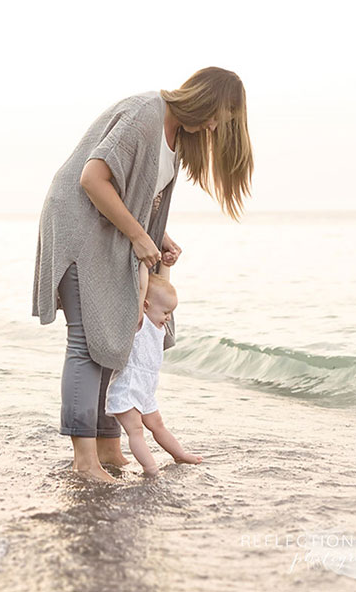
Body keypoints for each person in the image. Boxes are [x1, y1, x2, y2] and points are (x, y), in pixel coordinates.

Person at [32, 67, 253, 482]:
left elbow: (132, 193)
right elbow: (92, 178)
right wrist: (138, 236)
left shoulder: (175, 135)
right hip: (80, 225)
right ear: (203, 99)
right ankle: (84, 462)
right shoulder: (145, 114)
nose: (211, 128)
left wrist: (158, 234)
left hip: (108, 228)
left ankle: (108, 447)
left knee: (116, 337)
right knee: (85, 340)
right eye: (214, 118)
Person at [104, 263, 202, 476]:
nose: (168, 317)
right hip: (127, 388)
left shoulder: (158, 326)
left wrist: (165, 265)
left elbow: (163, 289)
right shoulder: (140, 322)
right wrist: (142, 265)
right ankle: (150, 468)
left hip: (146, 391)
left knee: (157, 424)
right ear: (146, 306)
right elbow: (141, 290)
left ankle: (179, 454)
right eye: (166, 312)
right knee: (136, 430)